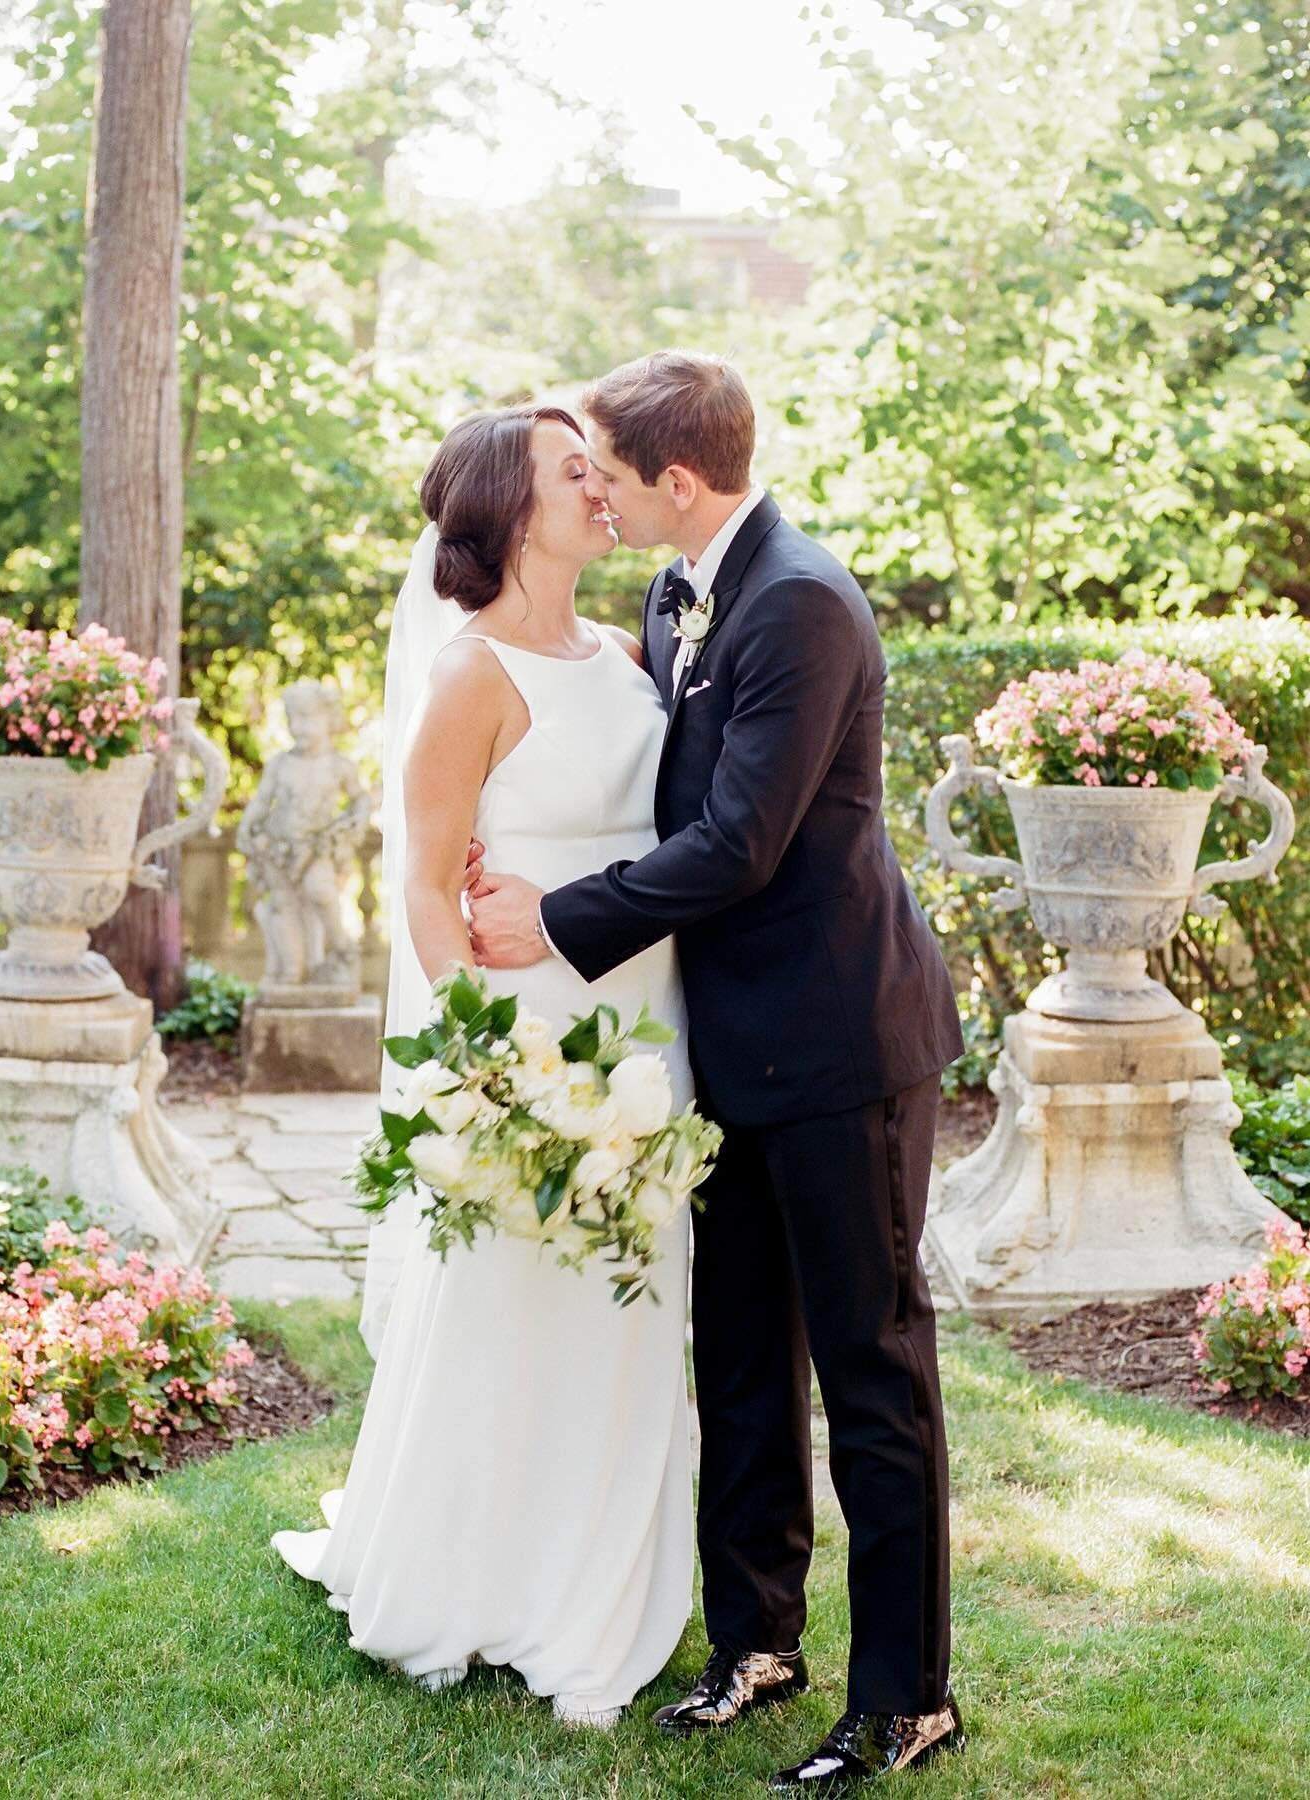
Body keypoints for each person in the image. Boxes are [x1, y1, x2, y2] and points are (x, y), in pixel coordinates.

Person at [468, 351, 967, 1792]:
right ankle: (755, 1641)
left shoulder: (802, 600)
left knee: (871, 1372)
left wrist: (557, 922)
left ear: (676, 481)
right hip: (724, 1047)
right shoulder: (679, 592)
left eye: (611, 477)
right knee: (741, 1355)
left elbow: (742, 842)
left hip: (837, 1047)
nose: (599, 500)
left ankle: (906, 1695)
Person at [271, 404, 695, 1729]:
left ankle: (605, 1575)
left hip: (648, 1037)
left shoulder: (631, 656)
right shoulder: (470, 677)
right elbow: (424, 886)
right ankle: (478, 1577)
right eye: (574, 472)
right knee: (515, 1309)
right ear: (512, 514)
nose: (600, 485)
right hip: (525, 1050)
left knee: (630, 1315)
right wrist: (478, 1073)